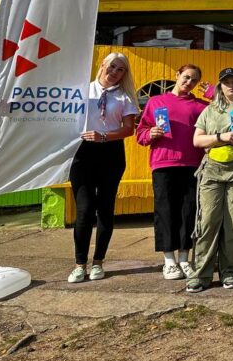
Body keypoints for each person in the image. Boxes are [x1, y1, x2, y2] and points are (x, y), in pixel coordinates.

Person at [67, 53, 140, 283]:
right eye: (112, 66)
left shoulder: (125, 97)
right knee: (84, 210)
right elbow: (48, 109)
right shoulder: (82, 91)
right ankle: (80, 264)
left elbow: (129, 129)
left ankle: (98, 262)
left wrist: (104, 136)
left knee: (105, 209)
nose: (115, 72)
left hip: (110, 152)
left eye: (120, 70)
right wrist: (6, 105)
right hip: (82, 152)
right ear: (103, 65)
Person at [187, 68, 233, 292]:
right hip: (212, 172)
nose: (231, 86)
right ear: (220, 86)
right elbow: (197, 141)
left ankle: (231, 271)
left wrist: (224, 141)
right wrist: (222, 137)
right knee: (208, 222)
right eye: (226, 82)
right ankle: (201, 274)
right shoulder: (209, 111)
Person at [135, 64, 206, 281]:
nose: (189, 83)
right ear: (177, 75)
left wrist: (214, 93)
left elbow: (223, 115)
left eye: (194, 80)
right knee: (165, 212)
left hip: (192, 164)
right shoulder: (157, 102)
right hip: (163, 164)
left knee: (188, 212)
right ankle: (169, 260)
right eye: (186, 77)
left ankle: (184, 258)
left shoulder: (201, 106)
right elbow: (140, 133)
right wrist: (151, 133)